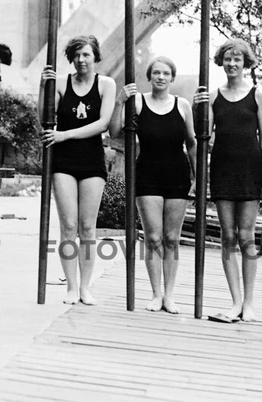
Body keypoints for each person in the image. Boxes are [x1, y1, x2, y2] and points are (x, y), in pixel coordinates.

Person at [193, 38, 262, 323]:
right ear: (221, 62)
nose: (232, 63)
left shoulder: (257, 96)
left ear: (245, 63)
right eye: (227, 58)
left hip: (251, 171)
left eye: (237, 59)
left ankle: (249, 302)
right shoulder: (214, 96)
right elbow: (202, 135)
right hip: (223, 170)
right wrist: (196, 108)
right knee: (227, 236)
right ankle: (235, 301)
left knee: (247, 237)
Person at [110, 55, 196, 313]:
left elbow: (191, 143)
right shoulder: (137, 102)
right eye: (156, 73)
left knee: (172, 237)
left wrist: (199, 176)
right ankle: (156, 294)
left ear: (172, 78)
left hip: (177, 175)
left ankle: (169, 294)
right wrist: (119, 102)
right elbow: (115, 132)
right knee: (153, 237)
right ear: (149, 77)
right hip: (147, 174)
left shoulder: (182, 105)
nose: (160, 77)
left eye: (165, 73)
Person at [40, 35, 116, 306]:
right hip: (63, 162)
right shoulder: (62, 83)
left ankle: (86, 287)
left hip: (91, 160)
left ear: (96, 56)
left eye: (86, 55)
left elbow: (104, 124)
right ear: (71, 58)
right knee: (68, 225)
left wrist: (65, 134)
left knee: (87, 226)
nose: (82, 60)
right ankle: (71, 287)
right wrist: (43, 87)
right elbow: (43, 119)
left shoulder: (106, 84)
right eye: (77, 55)